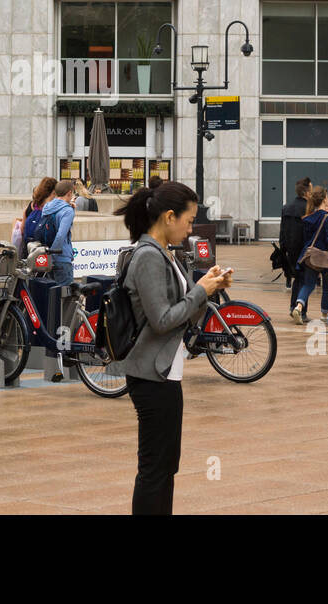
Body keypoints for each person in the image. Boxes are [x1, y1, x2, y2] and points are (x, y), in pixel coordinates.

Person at [114, 180, 229, 514]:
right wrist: (200, 292)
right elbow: (163, 319)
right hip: (151, 374)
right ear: (168, 217)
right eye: (189, 220)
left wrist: (211, 287)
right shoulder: (148, 257)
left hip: (164, 371)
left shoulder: (165, 254)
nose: (191, 228)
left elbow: (186, 311)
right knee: (154, 469)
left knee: (166, 467)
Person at [291, 185, 328, 325]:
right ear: (324, 199)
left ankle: (298, 306)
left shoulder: (308, 218)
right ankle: (324, 315)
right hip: (326, 257)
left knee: (308, 284)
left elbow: (306, 240)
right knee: (327, 286)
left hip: (311, 257)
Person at [40, 180, 77, 289]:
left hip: (47, 255)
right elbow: (61, 235)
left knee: (52, 297)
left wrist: (49, 256)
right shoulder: (67, 211)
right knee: (66, 297)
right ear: (69, 193)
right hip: (61, 257)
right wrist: (54, 254)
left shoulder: (47, 207)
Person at [279, 177, 311, 298]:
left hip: (290, 248)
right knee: (303, 281)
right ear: (307, 192)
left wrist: (282, 247)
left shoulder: (286, 207)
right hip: (304, 249)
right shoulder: (308, 208)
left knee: (297, 279)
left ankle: (294, 306)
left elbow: (282, 230)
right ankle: (300, 309)